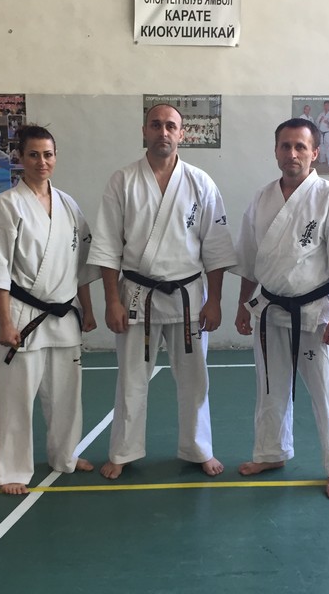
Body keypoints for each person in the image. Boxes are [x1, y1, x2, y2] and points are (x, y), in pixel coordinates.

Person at [88, 103, 237, 480]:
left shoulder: (201, 182)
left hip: (189, 297)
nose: (163, 132)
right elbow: (106, 245)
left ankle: (199, 448)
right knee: (131, 379)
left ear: (182, 134)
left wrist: (215, 300)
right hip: (137, 296)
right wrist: (111, 300)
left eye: (171, 126)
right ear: (144, 131)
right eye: (156, 125)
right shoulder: (122, 181)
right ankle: (123, 451)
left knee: (195, 380)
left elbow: (217, 248)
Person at [233, 118, 329, 499]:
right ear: (276, 151)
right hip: (270, 309)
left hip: (315, 310)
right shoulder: (261, 198)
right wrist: (242, 305)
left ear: (315, 153)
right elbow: (249, 259)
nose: (292, 153)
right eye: (285, 146)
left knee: (327, 391)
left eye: (300, 147)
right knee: (270, 388)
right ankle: (271, 453)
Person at [0, 125, 98, 494]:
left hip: (64, 314)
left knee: (67, 395)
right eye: (33, 154)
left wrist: (88, 309)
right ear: (20, 158)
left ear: (56, 157)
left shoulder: (69, 205)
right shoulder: (7, 205)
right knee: (15, 398)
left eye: (48, 154)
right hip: (23, 315)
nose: (41, 161)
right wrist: (4, 323)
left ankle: (65, 455)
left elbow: (81, 264)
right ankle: (12, 469)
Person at [316, 100, 329, 168]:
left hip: (328, 133)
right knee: (321, 147)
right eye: (325, 105)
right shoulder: (321, 114)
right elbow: (317, 122)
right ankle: (322, 160)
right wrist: (320, 120)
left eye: (327, 105)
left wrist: (328, 122)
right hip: (321, 133)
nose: (326, 107)